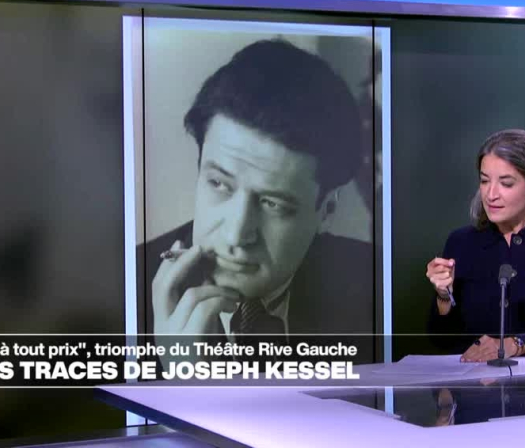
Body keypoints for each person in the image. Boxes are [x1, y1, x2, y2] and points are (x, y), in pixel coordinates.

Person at [143, 39, 374, 346]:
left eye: (272, 204)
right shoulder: (123, 287)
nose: (236, 235)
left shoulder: (376, 285)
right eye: (219, 184)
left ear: (326, 211)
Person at [426, 129, 525, 361]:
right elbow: (441, 340)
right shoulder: (460, 242)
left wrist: (516, 344)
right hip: (474, 380)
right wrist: (443, 296)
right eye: (484, 181)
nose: (491, 194)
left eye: (506, 183)